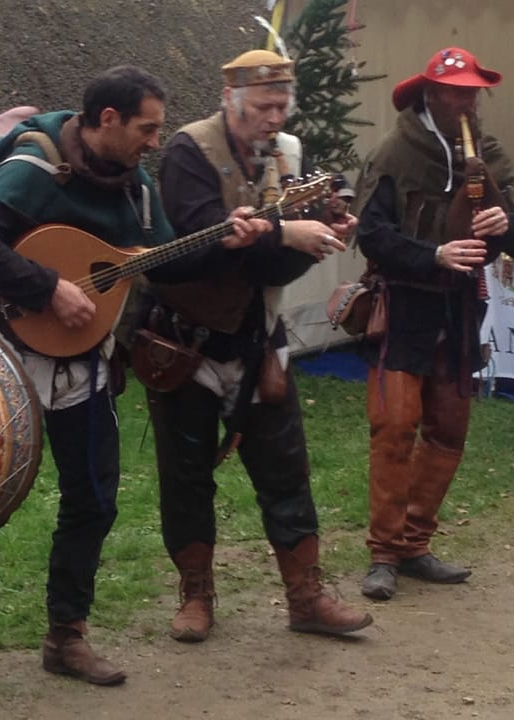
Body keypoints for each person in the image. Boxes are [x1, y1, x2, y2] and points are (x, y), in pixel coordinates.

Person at [0, 65, 269, 695]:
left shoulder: (134, 189)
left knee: (94, 500)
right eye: (147, 128)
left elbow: (164, 260)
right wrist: (48, 287)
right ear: (106, 119)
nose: (155, 142)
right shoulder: (35, 166)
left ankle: (67, 636)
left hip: (85, 362)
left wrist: (227, 240)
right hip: (9, 355)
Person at [142, 49, 373, 643]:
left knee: (286, 469)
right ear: (232, 103)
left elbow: (273, 266)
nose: (274, 118)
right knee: (186, 474)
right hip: (186, 339)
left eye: (280, 106)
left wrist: (323, 230)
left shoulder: (290, 155)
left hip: (257, 338)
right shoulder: (190, 153)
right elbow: (194, 239)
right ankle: (196, 595)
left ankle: (307, 596)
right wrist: (283, 231)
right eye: (263, 106)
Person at [351, 47, 514, 601]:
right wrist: (432, 255)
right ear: (430, 94)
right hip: (405, 307)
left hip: (459, 313)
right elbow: (373, 234)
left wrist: (508, 222)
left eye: (473, 92)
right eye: (456, 92)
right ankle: (383, 554)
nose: (466, 102)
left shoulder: (491, 152)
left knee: (448, 429)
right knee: (395, 425)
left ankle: (414, 544)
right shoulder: (394, 153)